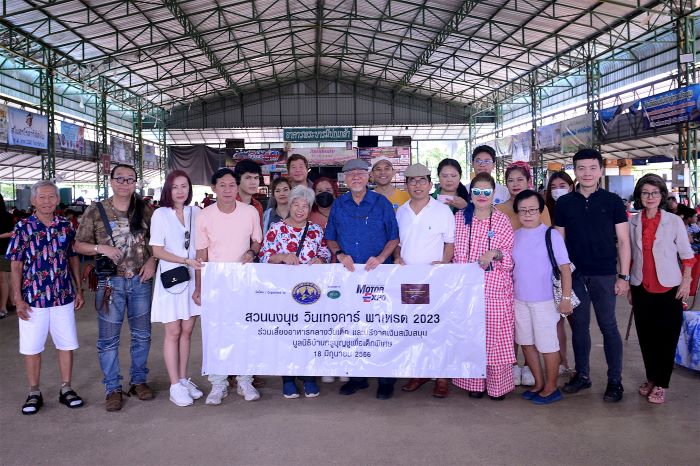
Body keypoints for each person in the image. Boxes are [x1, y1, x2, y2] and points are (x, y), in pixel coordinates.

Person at [74, 164, 157, 411]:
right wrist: (102, 249)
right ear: (111, 181)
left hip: (141, 281)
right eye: (119, 178)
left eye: (130, 179)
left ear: (135, 183)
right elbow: (79, 245)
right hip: (110, 283)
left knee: (142, 335)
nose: (124, 183)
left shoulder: (145, 210)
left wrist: (153, 260)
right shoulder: (96, 211)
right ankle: (112, 388)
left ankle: (138, 381)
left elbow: (158, 242)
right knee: (108, 339)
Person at [554, 148, 630, 402]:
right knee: (580, 328)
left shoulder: (612, 201)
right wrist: (561, 275)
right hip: (575, 276)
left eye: (592, 168)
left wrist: (624, 276)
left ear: (600, 170)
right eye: (581, 168)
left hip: (605, 275)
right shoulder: (564, 203)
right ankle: (583, 375)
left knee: (609, 326)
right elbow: (559, 241)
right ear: (574, 171)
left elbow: (623, 240)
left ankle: (615, 381)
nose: (587, 173)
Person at [7, 180, 85, 415]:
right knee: (32, 347)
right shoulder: (23, 227)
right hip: (32, 299)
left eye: (52, 197)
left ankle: (66, 388)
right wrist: (18, 298)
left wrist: (78, 289)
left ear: (57, 200)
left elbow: (73, 258)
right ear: (33, 201)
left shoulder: (65, 226)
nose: (48, 201)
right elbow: (16, 265)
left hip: (63, 296)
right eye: (42, 197)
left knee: (66, 344)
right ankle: (34, 392)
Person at [325, 158, 400, 399]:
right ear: (344, 179)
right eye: (350, 174)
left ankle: (385, 379)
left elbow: (394, 238)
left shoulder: (381, 203)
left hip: (379, 275)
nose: (355, 177)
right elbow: (331, 237)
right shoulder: (339, 205)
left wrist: (380, 258)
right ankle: (358, 377)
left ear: (368, 177)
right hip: (349, 278)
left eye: (360, 173)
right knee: (353, 325)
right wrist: (340, 253)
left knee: (381, 326)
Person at [193, 168, 262, 405]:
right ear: (214, 188)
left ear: (237, 187)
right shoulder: (204, 216)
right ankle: (218, 382)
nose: (227, 190)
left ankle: (245, 380)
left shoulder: (250, 211)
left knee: (245, 329)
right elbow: (201, 254)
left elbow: (257, 240)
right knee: (216, 332)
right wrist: (199, 287)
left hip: (243, 280)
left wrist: (252, 252)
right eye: (222, 185)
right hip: (216, 281)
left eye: (231, 185)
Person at [628, 174, 695, 404]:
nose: (650, 197)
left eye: (655, 192)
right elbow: (629, 257)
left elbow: (687, 256)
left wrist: (686, 281)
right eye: (645, 192)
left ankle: (661, 384)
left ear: (662, 195)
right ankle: (651, 377)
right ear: (639, 196)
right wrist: (628, 283)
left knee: (666, 338)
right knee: (646, 338)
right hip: (640, 286)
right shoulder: (633, 222)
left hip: (669, 288)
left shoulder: (674, 221)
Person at [259, 185, 331, 398]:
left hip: (310, 294)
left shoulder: (316, 230)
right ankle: (287, 378)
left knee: (308, 334)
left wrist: (322, 259)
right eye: (296, 205)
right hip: (282, 294)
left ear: (310, 208)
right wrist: (282, 257)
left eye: (305, 206)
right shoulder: (276, 229)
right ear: (289, 205)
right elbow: (264, 255)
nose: (300, 210)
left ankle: (308, 376)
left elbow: (325, 250)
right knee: (286, 334)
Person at [451, 172, 515, 400]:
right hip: (466, 292)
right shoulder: (459, 218)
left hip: (495, 292)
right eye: (476, 191)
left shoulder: (501, 220)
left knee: (496, 341)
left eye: (486, 192)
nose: (481, 196)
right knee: (471, 338)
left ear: (494, 194)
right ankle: (474, 383)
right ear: (470, 194)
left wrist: (496, 253)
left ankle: (497, 387)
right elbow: (451, 254)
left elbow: (510, 259)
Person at [393, 163, 455, 398]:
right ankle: (419, 372)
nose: (417, 185)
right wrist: (398, 257)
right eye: (412, 181)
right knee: (413, 328)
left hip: (435, 280)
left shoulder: (442, 211)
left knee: (437, 327)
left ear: (430, 184)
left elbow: (450, 242)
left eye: (421, 181)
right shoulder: (401, 211)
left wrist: (445, 264)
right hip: (409, 280)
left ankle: (441, 377)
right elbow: (398, 243)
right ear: (406, 185)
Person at [512, 190, 573, 405]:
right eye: (523, 210)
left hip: (544, 301)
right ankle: (538, 383)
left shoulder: (551, 235)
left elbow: (565, 269)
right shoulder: (514, 235)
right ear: (517, 212)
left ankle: (551, 386)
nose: (528, 214)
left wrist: (565, 298)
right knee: (526, 343)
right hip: (519, 300)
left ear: (540, 211)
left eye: (532, 210)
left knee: (547, 344)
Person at [149, 170, 204, 407]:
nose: (181, 191)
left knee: (187, 332)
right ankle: (173, 385)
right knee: (172, 332)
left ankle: (182, 380)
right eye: (175, 187)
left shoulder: (197, 212)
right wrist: (184, 261)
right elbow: (157, 251)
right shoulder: (160, 214)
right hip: (172, 278)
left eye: (184, 186)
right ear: (168, 191)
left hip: (193, 277)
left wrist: (197, 271)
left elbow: (203, 244)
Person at [496, 162, 551, 387]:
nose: (515, 184)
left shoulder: (540, 207)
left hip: (534, 276)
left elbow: (546, 240)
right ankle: (511, 364)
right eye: (511, 180)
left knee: (534, 324)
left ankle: (530, 366)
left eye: (520, 179)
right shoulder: (499, 209)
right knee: (510, 323)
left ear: (528, 181)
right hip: (505, 273)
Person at [543, 170, 575, 374]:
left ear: (571, 187)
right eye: (553, 187)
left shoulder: (577, 207)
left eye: (562, 186)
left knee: (575, 320)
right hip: (552, 271)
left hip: (572, 269)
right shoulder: (544, 210)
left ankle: (576, 365)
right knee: (557, 322)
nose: (557, 191)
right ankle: (562, 362)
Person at [234, 159, 264, 228]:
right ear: (238, 179)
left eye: (256, 178)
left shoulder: (258, 205)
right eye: (248, 178)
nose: (253, 182)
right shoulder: (229, 204)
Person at [0, 193, 15, 319]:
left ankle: (3, 307)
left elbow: (12, 233)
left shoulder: (6, 216)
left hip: (3, 251)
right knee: (6, 279)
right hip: (5, 251)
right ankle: (11, 302)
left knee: (4, 279)